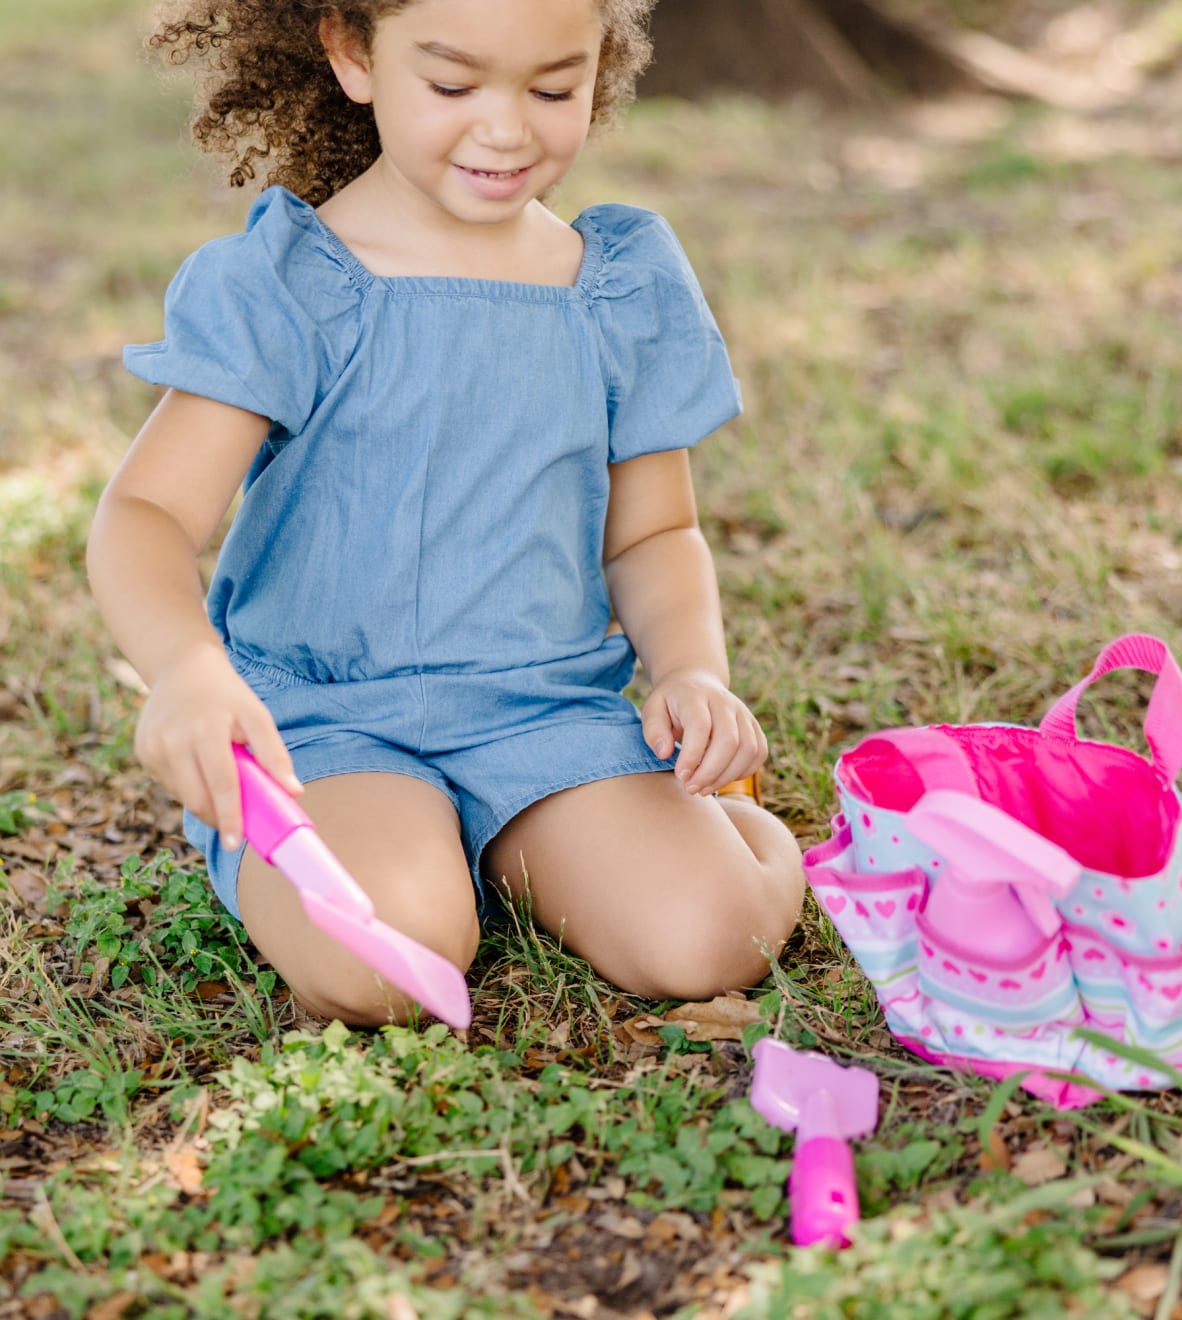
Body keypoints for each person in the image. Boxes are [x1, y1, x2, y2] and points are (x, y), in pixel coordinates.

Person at [87, 0, 805, 1027]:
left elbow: (652, 532)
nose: (507, 128)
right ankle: (384, 844)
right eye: (456, 85)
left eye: (553, 88)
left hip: (541, 711)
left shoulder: (615, 285)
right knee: (385, 962)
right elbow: (146, 512)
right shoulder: (294, 282)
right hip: (323, 716)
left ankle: (726, 834)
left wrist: (694, 671)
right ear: (352, 52)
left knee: (706, 940)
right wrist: (188, 672)